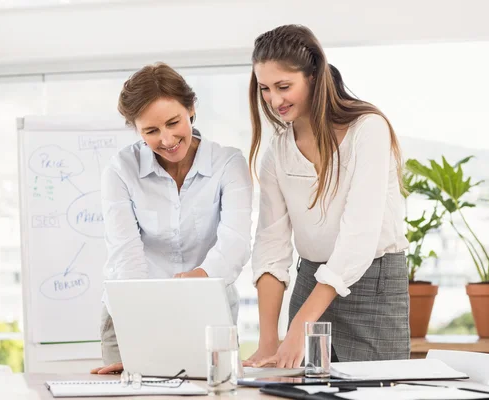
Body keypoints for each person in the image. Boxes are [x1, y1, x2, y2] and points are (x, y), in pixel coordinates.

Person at [244, 25, 410, 368]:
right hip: (311, 284)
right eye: (265, 89)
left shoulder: (368, 129)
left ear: (314, 76)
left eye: (284, 86)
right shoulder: (277, 151)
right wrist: (268, 341)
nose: (274, 100)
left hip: (373, 286)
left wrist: (300, 325)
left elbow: (359, 237)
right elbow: (271, 247)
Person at [91, 62, 253, 374]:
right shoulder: (120, 170)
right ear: (137, 130)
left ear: (191, 108)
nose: (166, 140)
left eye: (173, 122)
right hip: (133, 314)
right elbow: (125, 254)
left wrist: (194, 284)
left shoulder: (228, 164)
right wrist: (141, 335)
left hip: (207, 311)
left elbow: (235, 242)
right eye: (150, 131)